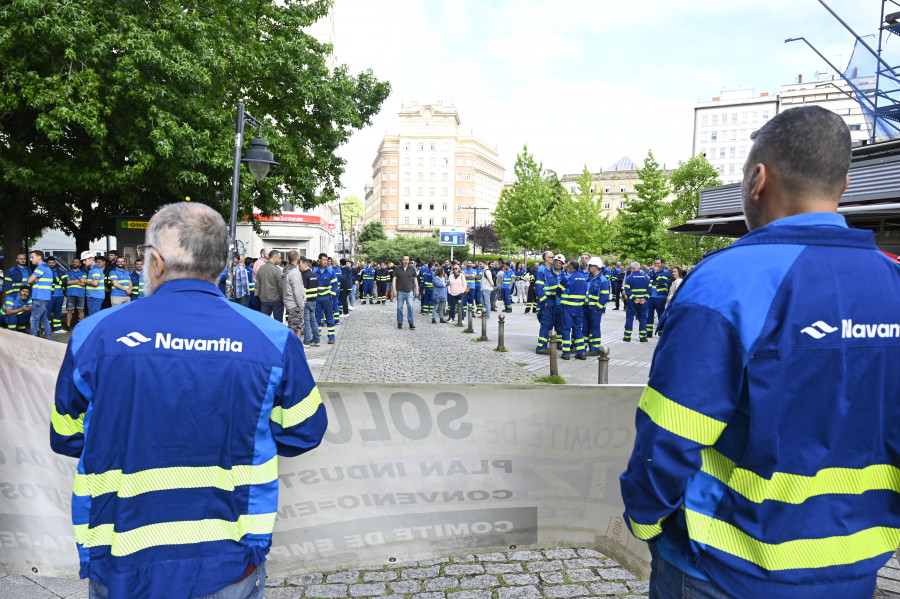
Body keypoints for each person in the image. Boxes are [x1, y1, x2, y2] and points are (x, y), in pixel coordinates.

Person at [621, 106, 900, 599]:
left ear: (757, 179)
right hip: (854, 567)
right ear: (845, 184)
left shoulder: (730, 280)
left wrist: (645, 519)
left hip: (723, 567)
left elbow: (672, 428)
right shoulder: (892, 279)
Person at [50, 202, 327, 599]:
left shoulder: (94, 334)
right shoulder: (273, 339)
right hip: (228, 557)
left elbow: (66, 436)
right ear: (219, 264)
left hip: (121, 555)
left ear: (156, 262)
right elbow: (304, 433)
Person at [534, 252, 562, 355]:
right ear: (546, 258)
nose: (554, 259)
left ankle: (544, 345)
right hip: (546, 301)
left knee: (549, 323)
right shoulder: (541, 270)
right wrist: (544, 301)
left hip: (552, 300)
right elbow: (539, 287)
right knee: (546, 323)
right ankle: (541, 346)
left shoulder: (549, 270)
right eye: (552, 257)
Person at [559, 260, 587, 360]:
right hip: (579, 308)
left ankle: (566, 353)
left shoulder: (567, 278)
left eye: (568, 267)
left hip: (568, 307)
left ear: (571, 267)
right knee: (577, 329)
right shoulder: (583, 278)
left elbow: (559, 291)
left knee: (566, 329)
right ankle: (581, 352)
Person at [584, 257, 610, 355]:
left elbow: (605, 296)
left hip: (594, 310)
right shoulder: (590, 278)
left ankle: (595, 349)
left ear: (595, 267)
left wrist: (597, 308)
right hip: (586, 308)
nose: (588, 268)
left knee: (594, 329)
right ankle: (585, 348)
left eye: (590, 266)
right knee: (586, 329)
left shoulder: (602, 280)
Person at [26, 250, 53, 339]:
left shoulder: (41, 267)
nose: (30, 259)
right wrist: (34, 280)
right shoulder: (45, 267)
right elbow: (32, 281)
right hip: (43, 297)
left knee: (34, 319)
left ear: (39, 257)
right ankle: (48, 339)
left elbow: (29, 280)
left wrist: (33, 280)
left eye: (32, 257)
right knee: (43, 319)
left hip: (40, 297)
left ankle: (33, 340)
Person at [621, 261, 650, 343]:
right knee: (643, 319)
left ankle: (627, 337)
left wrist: (634, 298)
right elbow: (649, 290)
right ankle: (643, 337)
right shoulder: (646, 278)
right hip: (643, 302)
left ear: (633, 268)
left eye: (631, 268)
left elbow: (627, 289)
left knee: (630, 318)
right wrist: (644, 298)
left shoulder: (629, 278)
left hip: (632, 302)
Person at [282, 250, 306, 340]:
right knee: (296, 328)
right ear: (297, 258)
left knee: (293, 325)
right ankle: (295, 349)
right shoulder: (295, 272)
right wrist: (301, 305)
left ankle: (293, 348)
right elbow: (297, 291)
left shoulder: (286, 270)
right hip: (295, 304)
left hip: (289, 302)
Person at [313, 253, 336, 344]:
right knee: (317, 318)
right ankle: (316, 337)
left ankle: (331, 337)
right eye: (323, 260)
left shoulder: (330, 271)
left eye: (326, 260)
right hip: (317, 298)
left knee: (329, 317)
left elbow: (335, 284)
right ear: (319, 260)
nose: (325, 262)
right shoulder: (314, 271)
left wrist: (331, 295)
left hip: (327, 298)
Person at [644, 257, 670, 338]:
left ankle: (661, 332)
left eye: (658, 263)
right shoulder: (650, 272)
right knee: (649, 315)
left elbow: (662, 282)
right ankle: (649, 332)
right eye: (655, 263)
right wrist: (656, 280)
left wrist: (656, 274)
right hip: (651, 296)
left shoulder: (666, 272)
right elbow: (648, 282)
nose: (656, 265)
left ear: (662, 264)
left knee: (660, 315)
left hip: (660, 297)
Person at [257, 250, 284, 322]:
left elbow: (258, 285)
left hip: (264, 300)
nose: (280, 260)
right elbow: (280, 286)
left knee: (264, 322)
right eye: (279, 258)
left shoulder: (261, 268)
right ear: (274, 258)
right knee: (278, 322)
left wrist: (261, 296)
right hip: (276, 300)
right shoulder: (276, 270)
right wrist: (282, 297)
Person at [392, 254, 418, 330]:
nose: (406, 261)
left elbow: (415, 279)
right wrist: (394, 290)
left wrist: (417, 289)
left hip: (409, 291)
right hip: (400, 291)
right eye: (404, 259)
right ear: (402, 260)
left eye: (407, 260)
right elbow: (394, 280)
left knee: (410, 307)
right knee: (399, 308)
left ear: (409, 260)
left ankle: (411, 323)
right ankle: (400, 323)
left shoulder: (412, 268)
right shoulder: (397, 269)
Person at [299, 257, 320, 346]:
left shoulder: (304, 276)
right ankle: (316, 340)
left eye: (299, 265)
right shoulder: (314, 275)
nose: (299, 267)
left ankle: (307, 342)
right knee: (313, 321)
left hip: (306, 302)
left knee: (307, 323)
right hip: (313, 301)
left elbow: (302, 290)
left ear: (304, 265)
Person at [63, 257, 86, 330]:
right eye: (73, 262)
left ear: (79, 264)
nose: (74, 263)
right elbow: (67, 282)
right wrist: (78, 281)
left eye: (76, 262)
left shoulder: (83, 273)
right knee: (70, 310)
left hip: (80, 294)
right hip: (70, 294)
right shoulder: (67, 273)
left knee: (81, 310)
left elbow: (83, 284)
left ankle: (82, 325)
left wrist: (72, 281)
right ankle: (68, 325)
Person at [46, 256, 67, 333]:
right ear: (47, 263)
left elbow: (65, 281)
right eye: (49, 263)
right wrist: (59, 280)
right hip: (50, 295)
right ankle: (46, 329)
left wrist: (57, 281)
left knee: (58, 312)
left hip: (60, 295)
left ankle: (57, 328)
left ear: (55, 263)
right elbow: (50, 281)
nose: (51, 264)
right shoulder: (46, 271)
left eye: (53, 262)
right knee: (47, 312)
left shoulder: (60, 271)